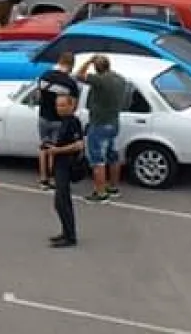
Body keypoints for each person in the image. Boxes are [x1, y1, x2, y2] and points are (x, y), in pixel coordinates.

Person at [78, 54, 127, 202]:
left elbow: (79, 75)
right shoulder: (119, 79)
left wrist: (87, 61)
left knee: (97, 159)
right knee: (113, 156)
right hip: (114, 122)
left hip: (99, 123)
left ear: (96, 67)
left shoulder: (99, 80)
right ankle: (113, 187)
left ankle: (100, 193)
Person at [35, 53, 79, 190]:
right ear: (71, 65)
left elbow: (38, 96)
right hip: (59, 121)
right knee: (55, 150)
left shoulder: (45, 75)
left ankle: (43, 179)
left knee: (44, 147)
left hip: (43, 117)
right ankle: (54, 179)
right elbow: (73, 106)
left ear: (59, 61)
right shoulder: (70, 83)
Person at [47, 91, 84, 249]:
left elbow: (78, 145)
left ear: (71, 106)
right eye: (57, 105)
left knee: (63, 202)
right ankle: (65, 232)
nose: (59, 108)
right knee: (59, 202)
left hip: (67, 165)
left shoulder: (73, 122)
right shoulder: (63, 121)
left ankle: (70, 237)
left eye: (63, 105)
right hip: (59, 164)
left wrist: (57, 151)